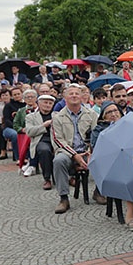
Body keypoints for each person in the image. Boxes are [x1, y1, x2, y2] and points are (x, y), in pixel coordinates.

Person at [89, 101, 133, 230]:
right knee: (131, 176)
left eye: (115, 111)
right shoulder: (99, 130)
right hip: (111, 163)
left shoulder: (129, 125)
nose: (113, 114)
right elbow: (98, 150)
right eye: (109, 112)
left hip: (132, 158)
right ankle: (130, 216)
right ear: (103, 116)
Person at [50, 85, 98, 213]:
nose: (74, 96)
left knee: (103, 157)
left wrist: (91, 151)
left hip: (87, 150)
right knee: (58, 161)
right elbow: (57, 140)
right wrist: (74, 155)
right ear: (65, 98)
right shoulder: (58, 117)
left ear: (82, 97)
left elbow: (97, 134)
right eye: (71, 93)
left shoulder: (92, 114)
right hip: (67, 152)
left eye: (77, 93)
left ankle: (99, 191)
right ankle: (63, 198)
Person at [25, 94, 57, 189]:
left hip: (57, 140)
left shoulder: (58, 115)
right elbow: (29, 132)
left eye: (50, 103)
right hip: (41, 140)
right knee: (44, 150)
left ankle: (70, 176)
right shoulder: (31, 117)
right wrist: (44, 126)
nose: (48, 105)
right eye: (45, 103)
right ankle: (47, 179)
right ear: (39, 103)